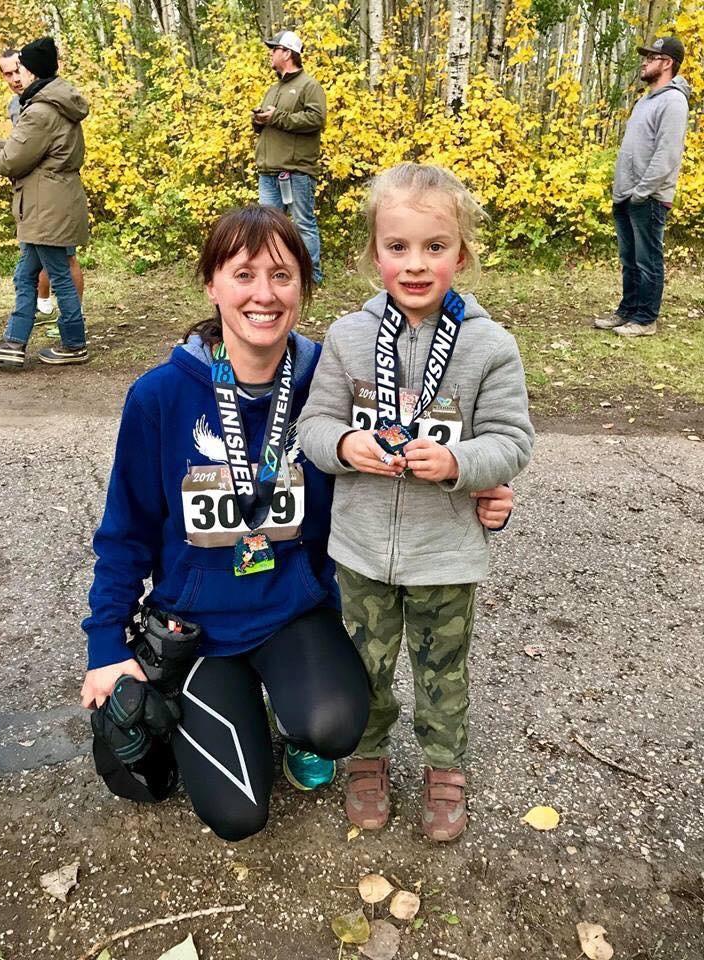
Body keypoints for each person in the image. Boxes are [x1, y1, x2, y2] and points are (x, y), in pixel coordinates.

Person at [80, 205, 516, 841]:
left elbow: (420, 450)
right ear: (212, 285)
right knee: (238, 817)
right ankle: (214, 706)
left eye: (282, 276)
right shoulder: (159, 396)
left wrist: (482, 486)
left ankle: (289, 714)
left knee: (337, 726)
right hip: (199, 629)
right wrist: (106, 648)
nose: (264, 294)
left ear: (303, 290)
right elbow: (126, 531)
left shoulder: (335, 377)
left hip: (293, 614)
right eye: (244, 274)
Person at [298, 163, 534, 841]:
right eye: (398, 247)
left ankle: (444, 768)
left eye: (435, 247)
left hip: (447, 555)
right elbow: (310, 428)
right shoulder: (346, 337)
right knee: (364, 666)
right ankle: (367, 761)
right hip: (362, 550)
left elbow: (513, 440)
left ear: (462, 253)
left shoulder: (491, 346)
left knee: (442, 672)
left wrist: (461, 461)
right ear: (374, 253)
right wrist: (344, 445)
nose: (416, 264)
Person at [0, 36, 89, 368]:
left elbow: (11, 162)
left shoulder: (41, 111)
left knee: (57, 274)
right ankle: (14, 343)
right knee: (25, 274)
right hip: (47, 203)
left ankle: (74, 344)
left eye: (22, 69)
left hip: (48, 206)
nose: (19, 75)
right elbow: (23, 149)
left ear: (33, 71)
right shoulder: (52, 103)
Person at [594, 36, 690, 338]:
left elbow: (666, 154)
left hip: (647, 197)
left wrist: (642, 191)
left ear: (667, 63)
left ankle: (646, 319)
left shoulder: (674, 101)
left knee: (647, 260)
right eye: (646, 56)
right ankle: (627, 312)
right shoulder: (646, 99)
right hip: (626, 194)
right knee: (629, 259)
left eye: (652, 57)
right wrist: (623, 190)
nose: (645, 61)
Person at [253, 30, 325, 284]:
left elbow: (316, 119)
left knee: (303, 224)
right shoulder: (273, 89)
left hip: (296, 170)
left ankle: (311, 276)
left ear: (287, 53)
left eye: (275, 49)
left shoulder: (309, 85)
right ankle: (275, 272)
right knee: (268, 228)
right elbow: (267, 124)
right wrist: (259, 120)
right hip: (268, 170)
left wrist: (277, 117)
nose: (271, 54)